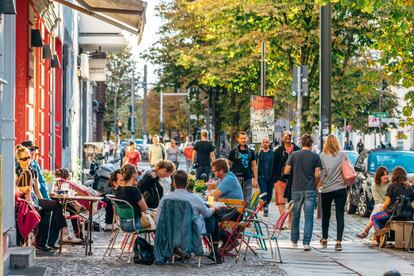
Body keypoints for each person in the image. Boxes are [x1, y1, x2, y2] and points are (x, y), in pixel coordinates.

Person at [15, 145, 79, 251]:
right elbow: (14, 188)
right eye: (23, 159)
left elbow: (36, 191)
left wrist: (44, 202)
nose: (27, 161)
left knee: (53, 207)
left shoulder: (32, 170)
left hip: (34, 200)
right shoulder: (16, 171)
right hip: (23, 202)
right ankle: (61, 233)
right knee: (53, 207)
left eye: (28, 158)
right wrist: (23, 189)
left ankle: (49, 241)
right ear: (18, 159)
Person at [157, 170, 222, 263]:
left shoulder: (165, 198)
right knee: (212, 217)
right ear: (187, 183)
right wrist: (213, 208)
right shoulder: (195, 198)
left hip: (171, 230)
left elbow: (159, 217)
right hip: (191, 230)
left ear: (174, 183)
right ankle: (215, 251)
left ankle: (180, 251)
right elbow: (207, 213)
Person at [283, 134, 322, 251]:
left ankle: (294, 241)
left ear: (301, 143)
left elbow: (286, 171)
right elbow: (317, 175)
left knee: (295, 216)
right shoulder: (315, 157)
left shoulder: (294, 155)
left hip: (296, 188)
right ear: (311, 144)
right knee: (309, 217)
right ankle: (306, 243)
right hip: (310, 188)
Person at [319, 134, 351, 251]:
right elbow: (347, 168)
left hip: (327, 189)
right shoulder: (343, 155)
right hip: (341, 188)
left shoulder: (322, 156)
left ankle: (325, 239)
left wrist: (318, 185)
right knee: (340, 215)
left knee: (326, 215)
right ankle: (338, 242)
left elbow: (322, 173)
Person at [368, 167, 414, 236]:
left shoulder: (392, 186)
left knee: (374, 218)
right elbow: (412, 203)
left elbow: (386, 203)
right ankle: (383, 234)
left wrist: (382, 211)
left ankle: (382, 234)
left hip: (392, 214)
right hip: (407, 216)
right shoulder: (410, 188)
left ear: (394, 175)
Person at [357, 167, 390, 242]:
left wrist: (385, 202)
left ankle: (367, 232)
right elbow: (377, 200)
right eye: (383, 175)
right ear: (379, 176)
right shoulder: (375, 186)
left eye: (387, 174)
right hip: (380, 205)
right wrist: (385, 201)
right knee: (378, 207)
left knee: (375, 214)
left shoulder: (390, 184)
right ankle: (374, 235)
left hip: (387, 206)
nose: (386, 176)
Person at [273, 130, 300, 219]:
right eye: (286, 135)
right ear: (282, 137)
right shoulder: (278, 151)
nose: (288, 137)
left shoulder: (297, 149)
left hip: (293, 180)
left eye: (289, 135)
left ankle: (290, 222)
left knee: (291, 202)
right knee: (281, 202)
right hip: (280, 180)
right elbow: (274, 165)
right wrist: (275, 181)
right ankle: (282, 222)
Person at [116, 164, 148, 231]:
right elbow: (145, 208)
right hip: (135, 224)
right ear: (134, 174)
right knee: (158, 220)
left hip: (121, 223)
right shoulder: (134, 190)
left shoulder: (119, 189)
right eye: (136, 172)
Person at [228, 131, 258, 200]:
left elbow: (254, 166)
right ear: (238, 139)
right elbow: (227, 164)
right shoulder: (233, 151)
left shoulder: (251, 152)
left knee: (247, 200)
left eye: (244, 138)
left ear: (247, 139)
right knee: (237, 199)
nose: (243, 140)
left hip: (248, 179)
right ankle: (238, 211)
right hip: (236, 179)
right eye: (241, 138)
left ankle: (246, 211)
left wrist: (255, 179)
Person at [256, 137, 274, 217]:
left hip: (270, 177)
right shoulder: (259, 153)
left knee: (269, 194)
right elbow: (254, 164)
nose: (265, 143)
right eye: (264, 142)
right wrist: (255, 178)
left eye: (267, 142)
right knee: (264, 192)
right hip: (261, 176)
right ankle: (265, 208)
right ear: (262, 143)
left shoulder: (273, 153)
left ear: (269, 143)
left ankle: (266, 204)